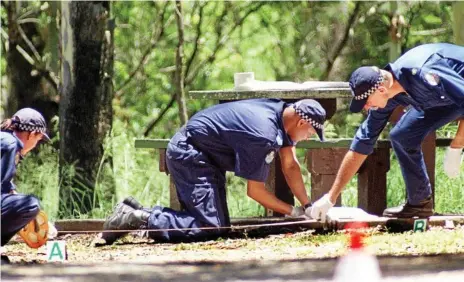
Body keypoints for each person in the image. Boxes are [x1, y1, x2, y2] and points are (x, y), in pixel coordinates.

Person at [101, 98, 326, 244]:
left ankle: (133, 210)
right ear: (299, 124)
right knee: (210, 227)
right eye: (310, 133)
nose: (308, 138)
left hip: (205, 156)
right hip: (190, 154)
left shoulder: (280, 111)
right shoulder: (263, 135)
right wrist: (294, 213)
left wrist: (307, 206)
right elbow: (255, 192)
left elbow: (290, 165)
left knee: (218, 225)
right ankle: (138, 218)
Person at [310, 43, 464, 221]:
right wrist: (331, 197)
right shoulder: (390, 93)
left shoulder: (423, 72)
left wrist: (457, 145)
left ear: (381, 90)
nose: (366, 108)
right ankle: (419, 203)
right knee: (402, 136)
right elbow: (363, 142)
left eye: (366, 102)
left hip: (457, 89)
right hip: (446, 99)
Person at [1, 108, 50, 263]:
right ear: (31, 134)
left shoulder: (5, 140)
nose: (35, 145)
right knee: (30, 205)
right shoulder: (10, 144)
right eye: (38, 139)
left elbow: (5, 185)